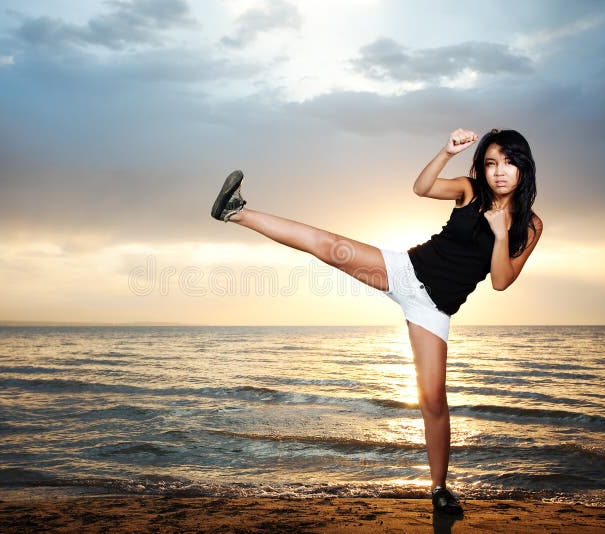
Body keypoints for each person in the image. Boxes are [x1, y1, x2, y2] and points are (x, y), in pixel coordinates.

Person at [210, 128, 543, 516]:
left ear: (523, 166)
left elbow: (501, 281)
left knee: (434, 400)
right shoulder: (470, 191)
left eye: (508, 162)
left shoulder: (530, 225)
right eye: (491, 163)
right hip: (405, 271)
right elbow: (422, 188)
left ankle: (439, 487)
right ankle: (235, 211)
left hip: (433, 310)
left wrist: (501, 234)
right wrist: (445, 151)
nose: (499, 171)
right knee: (329, 246)